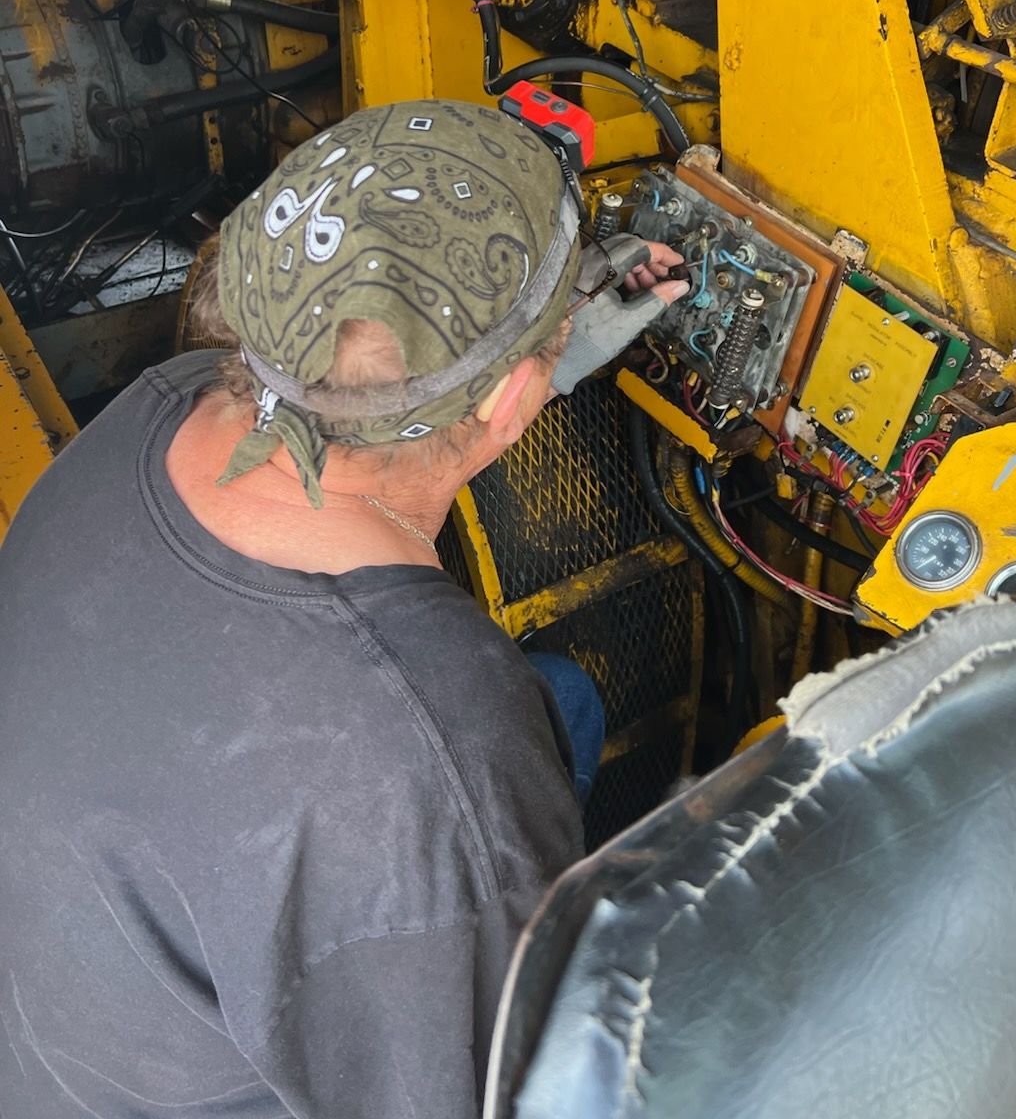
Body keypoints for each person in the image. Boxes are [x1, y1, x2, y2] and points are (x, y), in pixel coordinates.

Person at [0, 99, 687, 1119]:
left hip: (76, 1024)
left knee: (566, 702)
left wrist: (541, 357)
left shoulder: (155, 407)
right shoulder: (436, 756)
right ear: (506, 405)